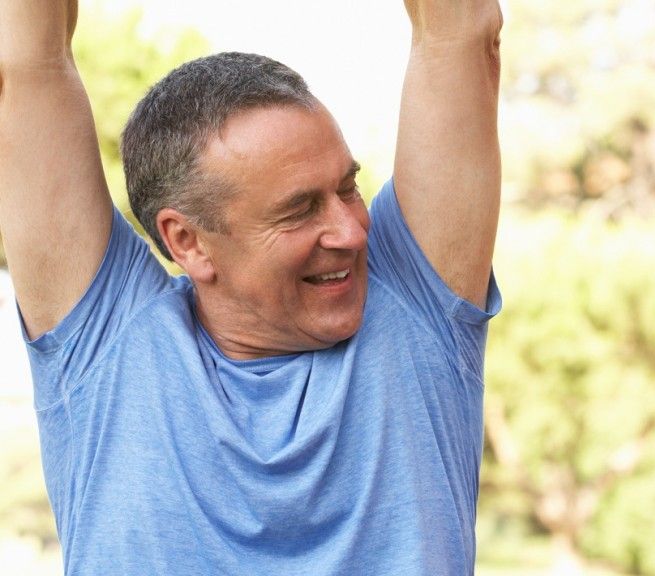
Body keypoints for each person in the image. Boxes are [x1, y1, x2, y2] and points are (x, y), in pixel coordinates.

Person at [0, 0, 502, 573]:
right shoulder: (110, 345)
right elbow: (28, 64)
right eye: (298, 211)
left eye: (347, 188)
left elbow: (459, 36)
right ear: (188, 242)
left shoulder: (416, 305)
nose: (350, 231)